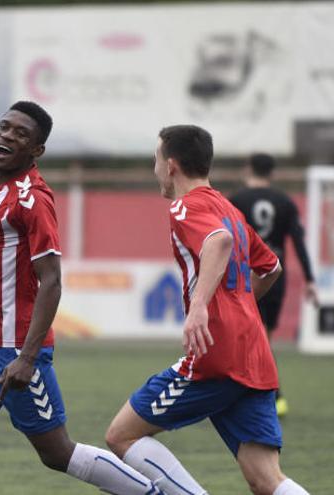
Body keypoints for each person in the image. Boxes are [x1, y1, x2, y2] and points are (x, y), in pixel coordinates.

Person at [0, 101, 160, 495]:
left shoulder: (31, 198)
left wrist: (27, 357)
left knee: (56, 452)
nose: (7, 136)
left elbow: (51, 281)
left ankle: (153, 492)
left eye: (21, 134)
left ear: (36, 151)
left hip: (13, 350)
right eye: (4, 127)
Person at [105, 125, 309, 495]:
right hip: (254, 352)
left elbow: (219, 241)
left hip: (217, 353)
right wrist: (239, 305)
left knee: (121, 436)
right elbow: (272, 267)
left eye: (155, 161)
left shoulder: (186, 207)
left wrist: (200, 306)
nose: (154, 170)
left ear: (170, 166)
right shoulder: (228, 208)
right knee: (267, 480)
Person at [229, 152, 317, 416]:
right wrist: (310, 279)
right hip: (276, 274)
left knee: (249, 338)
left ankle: (267, 395)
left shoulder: (236, 200)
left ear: (248, 169)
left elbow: (227, 239)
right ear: (272, 173)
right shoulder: (285, 202)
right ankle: (268, 395)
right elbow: (299, 242)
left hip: (245, 276)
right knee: (262, 337)